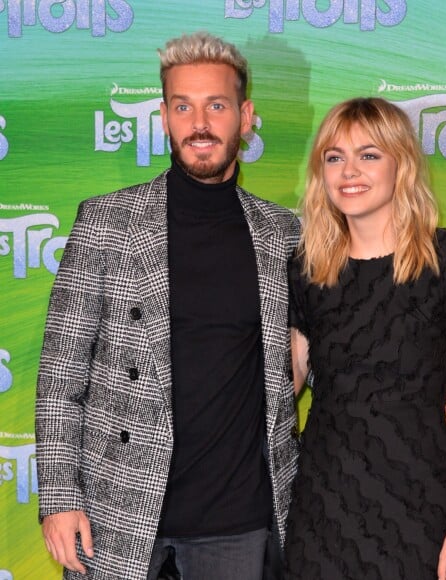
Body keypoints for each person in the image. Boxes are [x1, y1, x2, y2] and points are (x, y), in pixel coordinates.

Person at [35, 31, 300, 580]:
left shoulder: (284, 234)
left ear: (245, 117)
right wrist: (60, 497)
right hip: (119, 512)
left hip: (240, 521)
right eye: (183, 106)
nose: (199, 123)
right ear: (163, 116)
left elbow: (325, 344)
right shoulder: (106, 222)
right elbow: (62, 375)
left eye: (216, 106)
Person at [283, 97, 446, 580]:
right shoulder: (308, 270)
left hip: (418, 502)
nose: (349, 171)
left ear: (401, 165)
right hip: (323, 506)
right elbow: (287, 382)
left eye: (368, 154)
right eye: (334, 156)